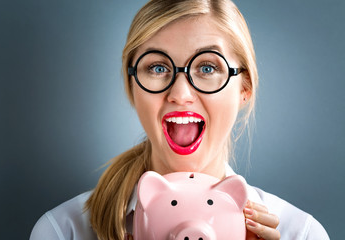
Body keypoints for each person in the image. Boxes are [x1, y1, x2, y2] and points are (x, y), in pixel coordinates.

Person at [30, 0, 330, 239]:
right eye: (158, 68)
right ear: (132, 86)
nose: (181, 93)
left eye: (208, 67)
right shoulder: (62, 231)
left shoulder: (300, 234)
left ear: (245, 87)